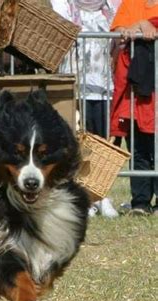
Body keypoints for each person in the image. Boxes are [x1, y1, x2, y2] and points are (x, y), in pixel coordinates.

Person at [51, 0, 121, 218]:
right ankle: (82, 195)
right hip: (74, 83)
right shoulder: (64, 4)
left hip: (104, 85)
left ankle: (102, 195)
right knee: (78, 141)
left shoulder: (112, 5)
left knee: (103, 143)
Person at [110, 0, 158, 216]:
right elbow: (119, 30)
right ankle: (140, 202)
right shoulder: (131, 2)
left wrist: (142, 24)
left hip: (154, 84)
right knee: (138, 146)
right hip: (135, 88)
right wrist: (139, 26)